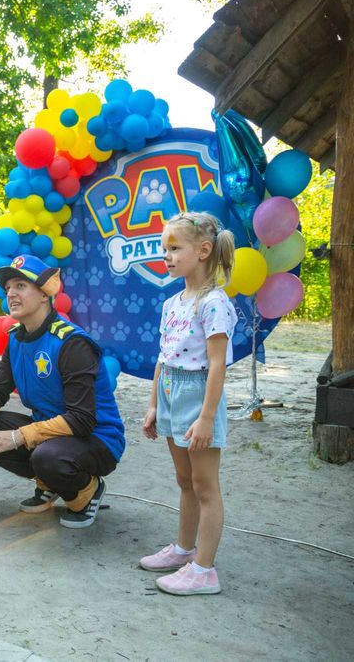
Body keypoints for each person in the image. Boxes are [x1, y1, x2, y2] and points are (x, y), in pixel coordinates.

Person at [0, 255, 125, 528]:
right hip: (51, 432)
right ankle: (49, 483)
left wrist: (19, 436)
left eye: (20, 286)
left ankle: (86, 492)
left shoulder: (72, 342)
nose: (11, 294)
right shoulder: (16, 338)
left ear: (45, 294)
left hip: (96, 439)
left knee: (47, 456)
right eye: (8, 288)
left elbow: (82, 419)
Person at [141, 212, 235, 596]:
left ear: (203, 250)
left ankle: (204, 570)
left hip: (197, 396)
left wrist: (206, 417)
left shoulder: (214, 303)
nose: (167, 255)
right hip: (169, 392)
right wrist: (152, 405)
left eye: (174, 248)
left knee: (205, 485)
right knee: (184, 480)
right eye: (165, 248)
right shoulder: (172, 303)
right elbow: (163, 358)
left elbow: (217, 365)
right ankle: (184, 549)